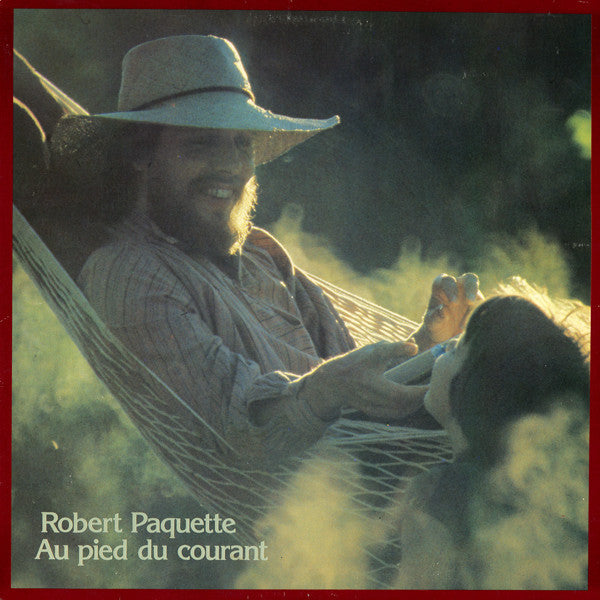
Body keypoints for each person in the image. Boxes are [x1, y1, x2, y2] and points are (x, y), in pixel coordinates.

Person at [33, 34, 481, 469]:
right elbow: (236, 428)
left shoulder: (263, 256)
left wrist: (425, 346)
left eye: (242, 143)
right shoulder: (132, 274)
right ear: (140, 154)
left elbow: (361, 385)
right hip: (307, 497)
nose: (231, 166)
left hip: (369, 470)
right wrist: (327, 390)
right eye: (201, 142)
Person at [394, 292, 589, 589]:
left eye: (456, 349)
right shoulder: (554, 501)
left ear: (473, 388)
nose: (444, 349)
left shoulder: (442, 494)